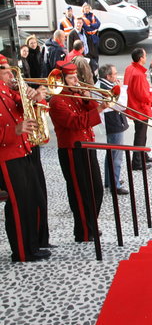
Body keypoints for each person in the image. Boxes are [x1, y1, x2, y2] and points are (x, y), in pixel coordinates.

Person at [49, 61, 109, 242]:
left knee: (96, 189)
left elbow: (88, 113)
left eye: (76, 76)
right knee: (80, 191)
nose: (76, 80)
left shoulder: (76, 94)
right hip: (72, 150)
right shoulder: (57, 100)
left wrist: (88, 98)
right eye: (71, 77)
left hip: (87, 146)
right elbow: (75, 122)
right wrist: (98, 108)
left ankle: (91, 223)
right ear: (61, 80)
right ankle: (83, 231)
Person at [0, 54, 51, 262]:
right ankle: (22, 252)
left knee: (30, 200)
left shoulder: (6, 92)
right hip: (7, 155)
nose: (11, 74)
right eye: (6, 70)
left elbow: (20, 103)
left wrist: (34, 95)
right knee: (19, 204)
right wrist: (16, 129)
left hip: (23, 149)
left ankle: (33, 245)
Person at [97, 64, 129, 195]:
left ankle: (109, 180)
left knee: (111, 153)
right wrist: (122, 89)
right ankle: (114, 184)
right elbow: (122, 105)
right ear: (108, 76)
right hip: (112, 121)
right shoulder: (105, 87)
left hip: (111, 120)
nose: (116, 76)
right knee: (116, 155)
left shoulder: (102, 84)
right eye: (115, 74)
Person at [125, 48, 152, 170]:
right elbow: (143, 96)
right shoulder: (138, 74)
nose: (146, 58)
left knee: (140, 134)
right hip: (139, 109)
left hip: (134, 106)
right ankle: (137, 162)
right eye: (145, 56)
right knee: (140, 135)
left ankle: (142, 155)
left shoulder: (130, 68)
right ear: (141, 59)